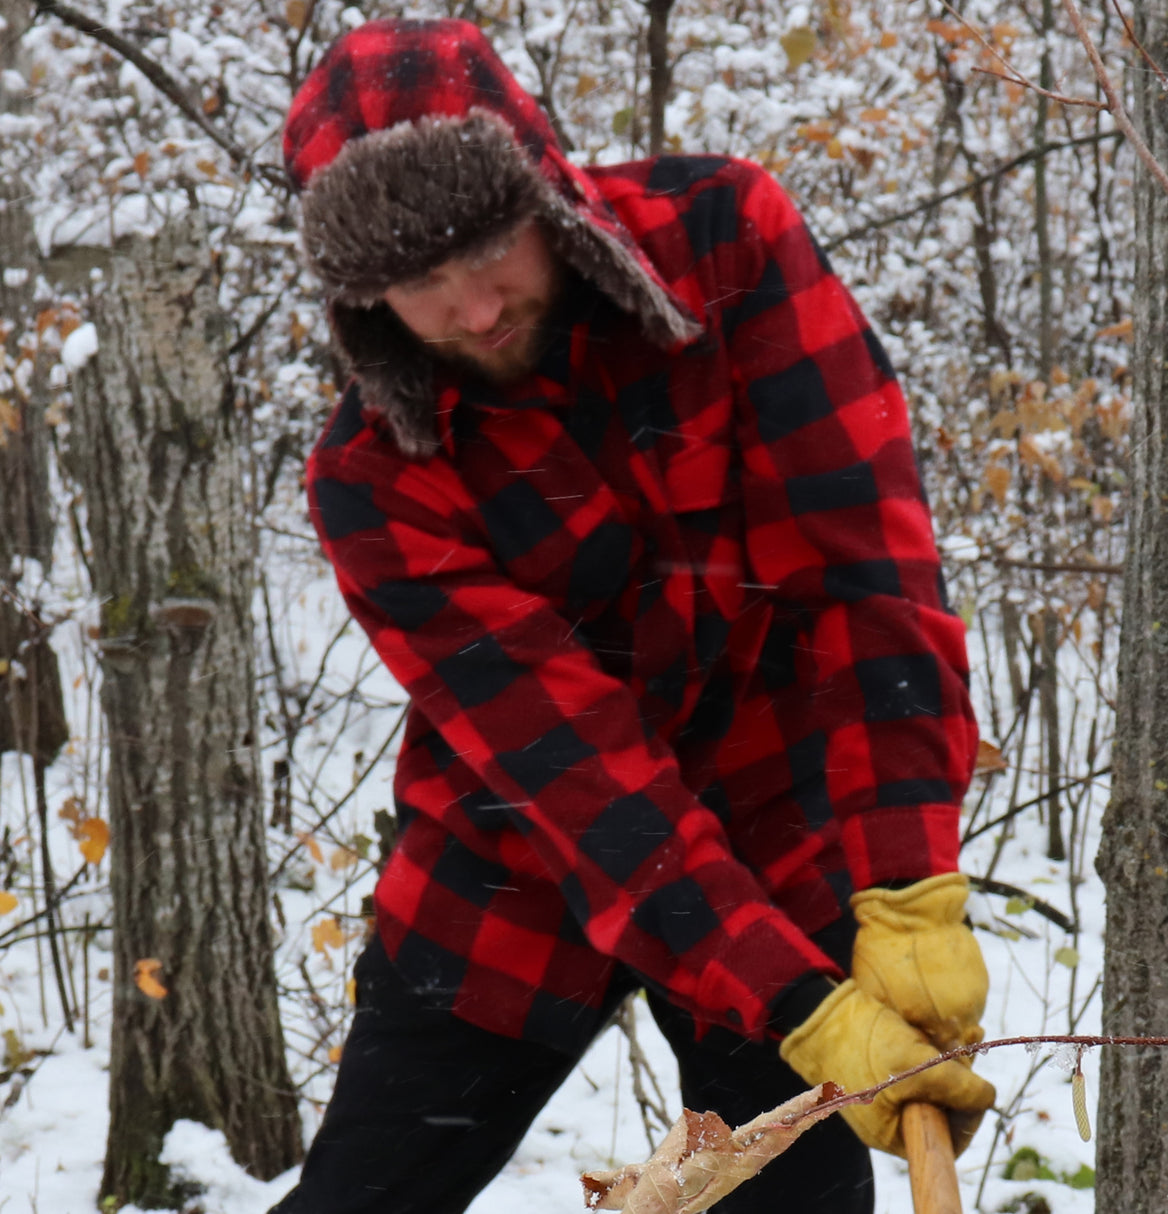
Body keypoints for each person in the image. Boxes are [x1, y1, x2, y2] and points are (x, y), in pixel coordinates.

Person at [271, 16, 995, 1214]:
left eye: (488, 243)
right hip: (517, 863)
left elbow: (866, 573)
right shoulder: (372, 474)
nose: (471, 307)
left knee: (792, 1203)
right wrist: (797, 1002)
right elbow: (577, 774)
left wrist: (906, 880)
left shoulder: (725, 242)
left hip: (772, 835)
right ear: (365, 297)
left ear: (542, 193)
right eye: (415, 280)